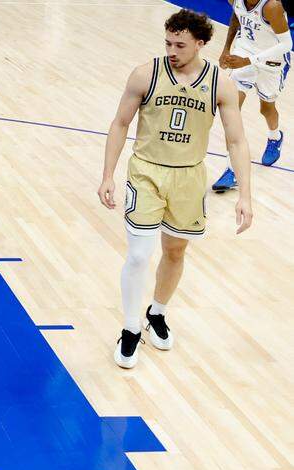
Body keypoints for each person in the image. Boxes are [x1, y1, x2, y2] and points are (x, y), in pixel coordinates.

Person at [97, 9, 254, 369]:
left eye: (180, 44)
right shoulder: (145, 74)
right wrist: (108, 174)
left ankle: (158, 312)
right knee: (138, 255)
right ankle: (131, 327)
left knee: (175, 252)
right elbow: (120, 123)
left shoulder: (220, 83)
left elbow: (237, 141)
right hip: (147, 173)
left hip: (189, 177)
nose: (171, 49)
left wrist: (245, 194)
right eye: (168, 42)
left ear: (201, 43)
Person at [212, 0, 292, 191]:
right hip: (244, 52)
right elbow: (237, 15)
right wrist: (227, 48)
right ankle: (232, 170)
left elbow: (287, 44)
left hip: (271, 61)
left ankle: (275, 137)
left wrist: (248, 60)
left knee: (267, 108)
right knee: (231, 108)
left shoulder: (272, 6)